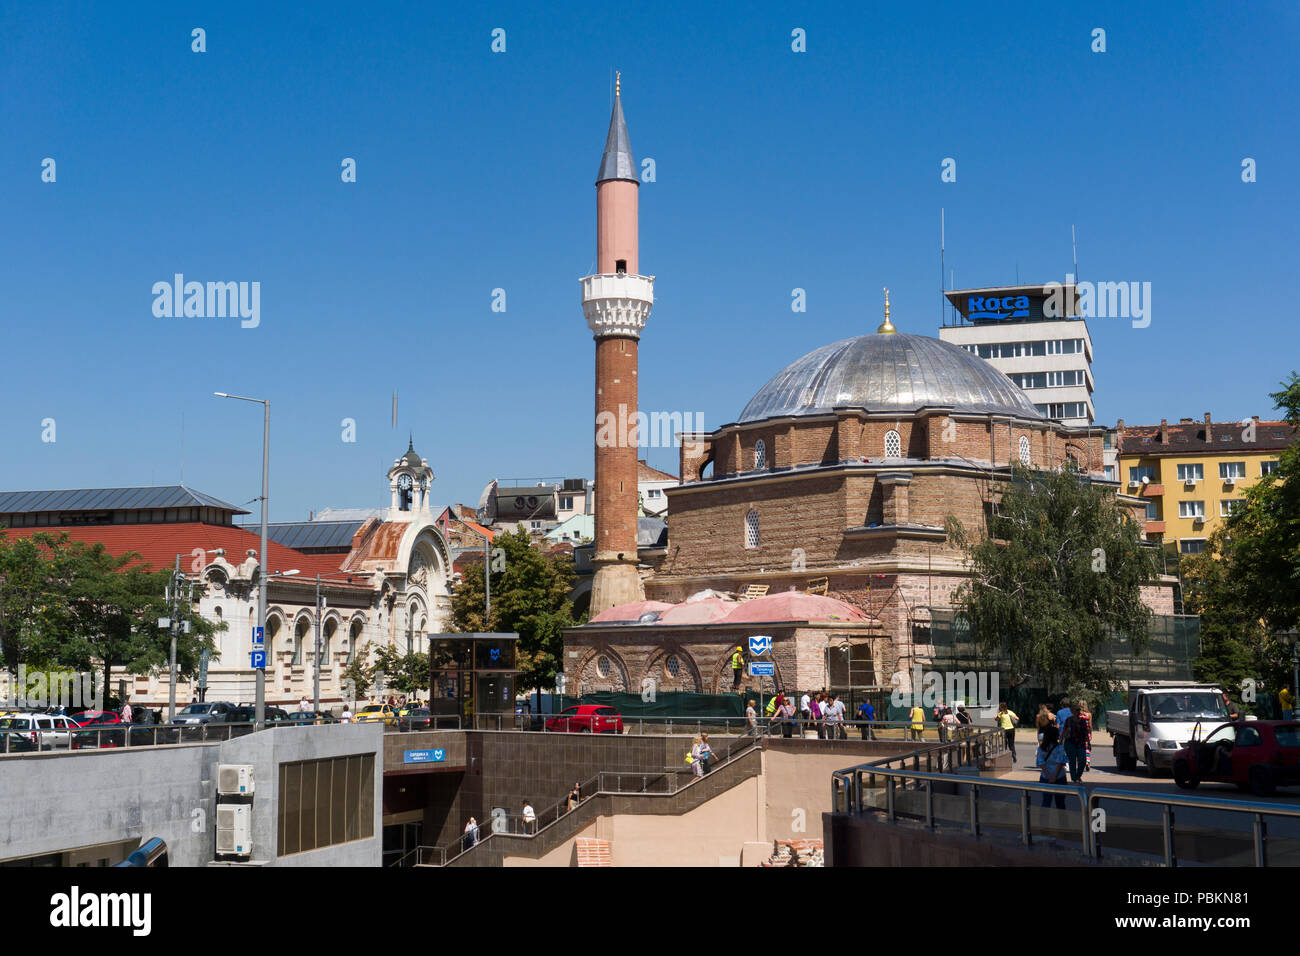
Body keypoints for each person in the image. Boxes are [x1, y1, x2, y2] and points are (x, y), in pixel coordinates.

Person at [1038, 725, 1067, 809]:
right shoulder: (1060, 748)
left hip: (1045, 777)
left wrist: (1049, 776)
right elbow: (1060, 763)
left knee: (1046, 802)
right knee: (1061, 804)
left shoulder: (1041, 748)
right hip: (1060, 777)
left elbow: (1041, 763)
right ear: (1056, 736)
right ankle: (1062, 822)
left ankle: (1044, 821)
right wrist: (1054, 777)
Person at [1061, 701, 1091, 782]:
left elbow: (1086, 732)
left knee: (1083, 761)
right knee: (1072, 762)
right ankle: (1074, 778)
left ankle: (1078, 776)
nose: (1079, 711)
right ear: (1072, 711)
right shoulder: (1069, 720)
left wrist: (1088, 743)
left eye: (1079, 710)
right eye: (1077, 710)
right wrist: (1061, 741)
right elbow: (1064, 730)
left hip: (1081, 744)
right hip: (1070, 743)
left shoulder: (1083, 720)